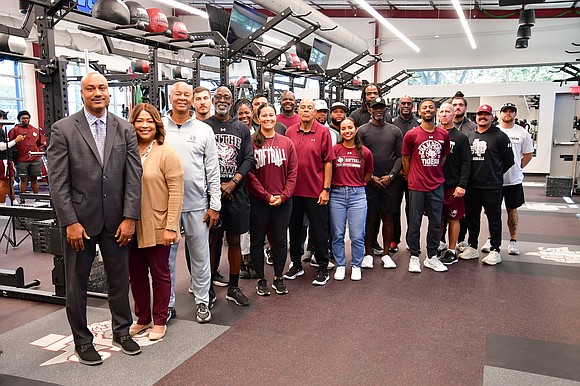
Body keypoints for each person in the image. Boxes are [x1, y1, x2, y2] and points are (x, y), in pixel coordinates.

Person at [47, 72, 143, 365]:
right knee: (76, 283)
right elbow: (57, 181)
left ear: (109, 93)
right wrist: (69, 222)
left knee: (118, 279)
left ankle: (122, 331)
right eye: (91, 88)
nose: (97, 93)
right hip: (80, 222)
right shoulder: (63, 129)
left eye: (102, 87)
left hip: (117, 221)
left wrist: (130, 217)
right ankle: (82, 340)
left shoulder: (125, 129)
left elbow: (133, 176)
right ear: (82, 93)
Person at [163, 81, 221, 323]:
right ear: (170, 97)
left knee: (200, 256)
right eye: (178, 94)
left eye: (187, 95)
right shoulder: (159, 128)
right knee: (165, 260)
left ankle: (202, 302)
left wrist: (214, 204)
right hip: (165, 207)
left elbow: (212, 169)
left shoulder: (204, 130)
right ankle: (167, 305)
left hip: (197, 204)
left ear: (192, 100)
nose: (183, 98)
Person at [127, 103, 184, 341]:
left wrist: (171, 226)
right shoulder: (126, 150)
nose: (144, 125)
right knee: (136, 274)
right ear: (132, 124)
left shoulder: (166, 151)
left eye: (149, 121)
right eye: (139, 121)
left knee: (160, 273)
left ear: (157, 124)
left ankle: (160, 320)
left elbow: (176, 191)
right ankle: (142, 319)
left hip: (159, 223)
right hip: (131, 225)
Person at [204, 86, 253, 307]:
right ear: (214, 100)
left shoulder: (241, 128)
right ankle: (209, 289)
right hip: (210, 194)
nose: (222, 100)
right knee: (211, 241)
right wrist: (216, 187)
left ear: (231, 101)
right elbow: (200, 160)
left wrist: (232, 183)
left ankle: (233, 287)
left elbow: (248, 159)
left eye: (227, 97)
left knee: (234, 240)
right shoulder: (204, 127)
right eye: (219, 97)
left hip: (236, 192)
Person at [246, 103, 297, 295]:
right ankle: (261, 279)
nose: (268, 119)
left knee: (281, 240)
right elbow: (249, 174)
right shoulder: (251, 142)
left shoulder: (286, 142)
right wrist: (266, 196)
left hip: (283, 202)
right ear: (257, 119)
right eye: (264, 116)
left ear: (276, 117)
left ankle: (278, 277)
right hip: (259, 201)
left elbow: (293, 172)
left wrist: (283, 196)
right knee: (258, 240)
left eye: (271, 115)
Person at [284, 98, 335, 286]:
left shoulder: (323, 132)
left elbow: (328, 162)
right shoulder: (290, 131)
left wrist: (326, 189)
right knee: (295, 231)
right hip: (294, 192)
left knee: (319, 231)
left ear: (315, 112)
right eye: (303, 107)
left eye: (310, 108)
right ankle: (296, 264)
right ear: (298, 110)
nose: (306, 110)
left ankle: (322, 267)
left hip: (316, 192)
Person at [458, 104, 515, 265]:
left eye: (486, 115)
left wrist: (494, 174)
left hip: (492, 186)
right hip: (471, 186)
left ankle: (495, 250)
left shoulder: (500, 136)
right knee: (472, 218)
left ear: (492, 117)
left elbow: (508, 161)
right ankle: (473, 247)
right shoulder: (469, 136)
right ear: (476, 116)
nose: (482, 117)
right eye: (480, 114)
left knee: (494, 219)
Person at [402, 99, 451, 273]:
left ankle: (432, 257)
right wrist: (412, 177)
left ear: (435, 111)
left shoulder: (443, 134)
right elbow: (405, 159)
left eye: (431, 107)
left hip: (437, 184)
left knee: (436, 222)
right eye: (424, 108)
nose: (428, 110)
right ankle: (414, 256)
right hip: (416, 185)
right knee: (414, 223)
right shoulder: (412, 134)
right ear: (419, 111)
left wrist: (433, 172)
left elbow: (443, 157)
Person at [480, 102, 533, 256]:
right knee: (492, 212)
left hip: (513, 180)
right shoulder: (492, 131)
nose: (508, 114)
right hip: (493, 180)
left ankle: (513, 241)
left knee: (512, 210)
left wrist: (517, 168)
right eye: (505, 111)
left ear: (515, 114)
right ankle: (491, 239)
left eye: (511, 111)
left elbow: (528, 154)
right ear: (500, 113)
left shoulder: (522, 133)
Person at [358, 97, 402, 270]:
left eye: (381, 108)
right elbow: (359, 156)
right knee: (370, 218)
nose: (378, 110)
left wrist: (391, 176)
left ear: (386, 110)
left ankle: (385, 254)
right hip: (370, 182)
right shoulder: (362, 131)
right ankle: (368, 253)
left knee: (388, 217)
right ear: (369, 109)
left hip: (390, 182)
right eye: (375, 107)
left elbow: (400, 156)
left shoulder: (395, 131)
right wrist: (371, 177)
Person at [329, 117, 373, 281]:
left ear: (356, 130)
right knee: (338, 233)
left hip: (357, 195)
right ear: (340, 131)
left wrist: (356, 184)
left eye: (350, 128)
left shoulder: (365, 152)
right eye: (343, 129)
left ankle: (356, 265)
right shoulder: (334, 150)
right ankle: (340, 265)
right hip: (337, 195)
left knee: (357, 234)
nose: (347, 131)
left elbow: (368, 174)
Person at [438, 103, 471, 266]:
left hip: (453, 185)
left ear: (453, 115)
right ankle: (438, 245)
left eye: (447, 112)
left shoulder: (460, 137)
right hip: (436, 185)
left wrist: (462, 184)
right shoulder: (434, 134)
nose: (444, 114)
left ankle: (452, 250)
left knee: (453, 218)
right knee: (437, 218)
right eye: (442, 112)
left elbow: (466, 162)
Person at [391, 96, 419, 254]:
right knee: (394, 208)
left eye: (409, 103)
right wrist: (398, 170)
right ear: (399, 105)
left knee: (412, 209)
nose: (406, 106)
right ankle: (395, 239)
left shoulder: (418, 125)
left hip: (413, 174)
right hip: (396, 173)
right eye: (404, 103)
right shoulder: (392, 123)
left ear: (412, 106)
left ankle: (411, 240)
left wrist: (410, 171)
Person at [235, 98, 258, 279]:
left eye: (247, 112)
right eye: (240, 113)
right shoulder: (235, 132)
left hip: (257, 186)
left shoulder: (259, 134)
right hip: (241, 186)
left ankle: (253, 258)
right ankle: (243, 260)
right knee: (242, 226)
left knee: (255, 225)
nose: (244, 116)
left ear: (252, 113)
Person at [8, 110, 46, 203]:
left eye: (27, 118)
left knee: (34, 179)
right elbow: (10, 143)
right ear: (20, 119)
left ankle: (37, 198)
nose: (25, 120)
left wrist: (38, 151)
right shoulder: (15, 130)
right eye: (23, 118)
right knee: (23, 179)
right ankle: (23, 199)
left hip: (35, 159)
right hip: (21, 160)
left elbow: (41, 143)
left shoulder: (35, 130)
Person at [0, 112, 25, 204]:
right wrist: (15, 141)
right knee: (3, 183)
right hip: (3, 159)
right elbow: (1, 147)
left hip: (7, 159)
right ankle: (2, 205)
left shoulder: (2, 130)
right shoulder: (0, 131)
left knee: (10, 182)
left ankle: (14, 201)